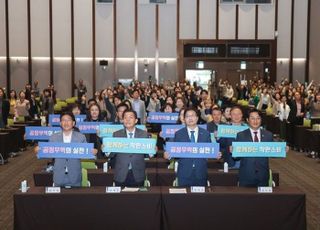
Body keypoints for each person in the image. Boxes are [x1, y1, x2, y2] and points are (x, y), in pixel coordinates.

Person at [35, 112, 95, 187]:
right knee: (58, 199)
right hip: (58, 175)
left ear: (73, 123)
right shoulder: (54, 137)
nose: (66, 122)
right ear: (60, 123)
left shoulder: (81, 137)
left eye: (68, 120)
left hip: (75, 176)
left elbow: (87, 153)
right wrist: (39, 151)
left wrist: (92, 152)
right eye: (63, 120)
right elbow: (46, 152)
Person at [164, 107, 211, 187]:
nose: (190, 118)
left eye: (192, 115)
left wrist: (217, 154)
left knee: (200, 198)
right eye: (187, 116)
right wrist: (168, 155)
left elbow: (210, 151)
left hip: (200, 172)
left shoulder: (206, 134)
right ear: (184, 119)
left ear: (197, 118)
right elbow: (173, 151)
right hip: (184, 173)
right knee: (184, 199)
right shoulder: (179, 134)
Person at [111, 109, 150, 187]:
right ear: (122, 120)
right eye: (125, 118)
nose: (127, 120)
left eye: (130, 117)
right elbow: (111, 154)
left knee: (137, 198)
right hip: (121, 174)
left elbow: (147, 154)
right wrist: (106, 149)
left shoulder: (144, 134)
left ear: (136, 120)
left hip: (137, 173)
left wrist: (152, 151)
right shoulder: (116, 134)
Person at [235, 109, 273, 187]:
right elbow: (236, 157)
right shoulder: (241, 135)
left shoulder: (268, 135)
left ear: (261, 120)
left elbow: (273, 153)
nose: (255, 121)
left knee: (262, 199)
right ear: (247, 120)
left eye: (258, 118)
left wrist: (283, 149)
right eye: (252, 118)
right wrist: (233, 151)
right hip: (246, 176)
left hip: (263, 176)